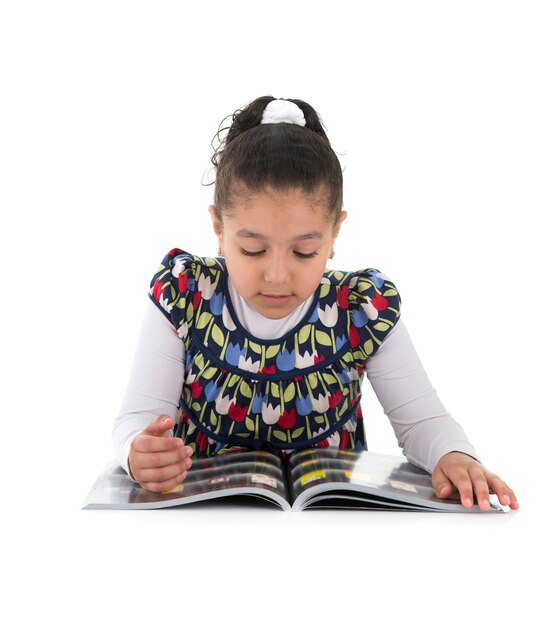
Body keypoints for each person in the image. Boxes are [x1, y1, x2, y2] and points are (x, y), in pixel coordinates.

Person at [112, 95, 519, 511]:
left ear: (334, 232)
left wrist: (454, 454)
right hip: (201, 523)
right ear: (219, 226)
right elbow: (138, 419)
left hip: (331, 526)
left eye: (304, 252)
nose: (277, 275)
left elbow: (421, 422)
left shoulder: (362, 308)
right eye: (252, 250)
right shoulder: (185, 293)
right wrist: (137, 452)